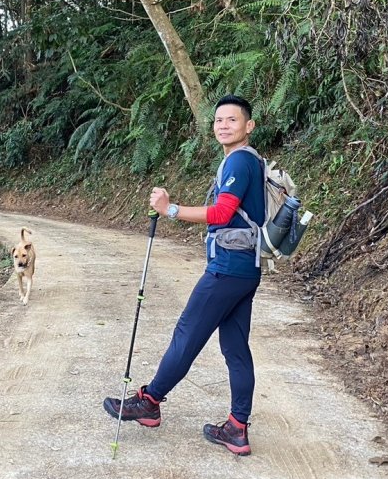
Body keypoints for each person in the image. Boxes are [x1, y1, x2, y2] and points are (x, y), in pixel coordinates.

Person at [103, 94, 266, 456]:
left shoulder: (240, 160)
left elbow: (223, 214)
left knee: (188, 334)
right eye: (219, 120)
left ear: (248, 126)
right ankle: (237, 429)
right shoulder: (247, 160)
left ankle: (149, 402)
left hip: (227, 268)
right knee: (236, 349)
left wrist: (170, 208)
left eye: (232, 120)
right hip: (246, 268)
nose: (223, 125)